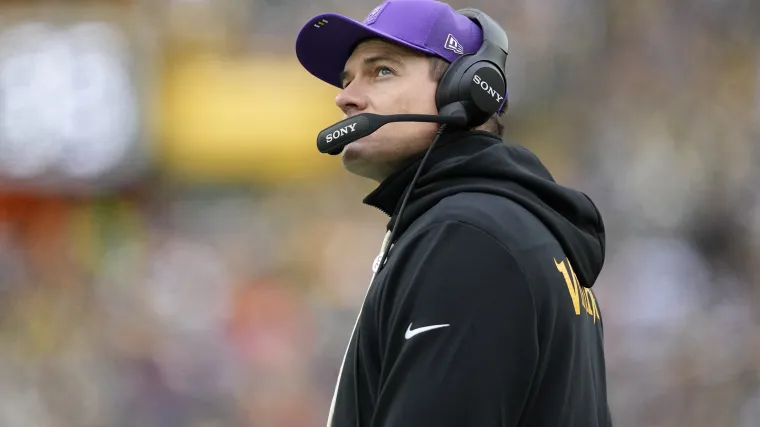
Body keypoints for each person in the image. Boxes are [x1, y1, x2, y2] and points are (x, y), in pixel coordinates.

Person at [295, 1, 613, 426]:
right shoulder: (507, 228)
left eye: (382, 70)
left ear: (465, 89)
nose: (344, 97)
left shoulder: (468, 238)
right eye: (347, 79)